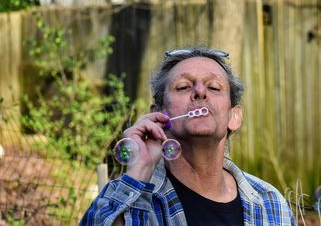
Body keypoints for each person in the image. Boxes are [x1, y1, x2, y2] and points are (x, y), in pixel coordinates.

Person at [80, 47, 295, 226]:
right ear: (159, 115)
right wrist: (139, 171)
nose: (200, 92)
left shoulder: (270, 202)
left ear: (234, 116)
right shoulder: (129, 196)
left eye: (214, 87)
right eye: (183, 87)